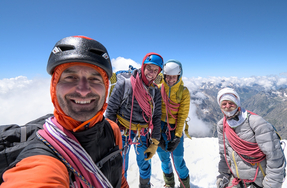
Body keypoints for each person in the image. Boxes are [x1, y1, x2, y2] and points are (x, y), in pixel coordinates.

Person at [0, 36, 129, 188]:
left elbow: (119, 181)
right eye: (70, 77)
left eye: (95, 79)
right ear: (54, 86)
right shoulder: (42, 160)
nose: (83, 90)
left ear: (106, 87)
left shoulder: (112, 130)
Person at [106, 52, 163, 188]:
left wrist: (155, 141)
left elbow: (156, 117)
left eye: (156, 70)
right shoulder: (124, 84)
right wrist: (110, 136)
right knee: (120, 167)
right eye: (149, 68)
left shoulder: (155, 91)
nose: (151, 73)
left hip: (142, 134)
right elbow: (111, 111)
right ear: (142, 66)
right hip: (122, 132)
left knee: (144, 165)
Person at [216, 87, 286, 188]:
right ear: (220, 106)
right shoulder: (222, 125)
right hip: (238, 179)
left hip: (260, 181)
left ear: (237, 103)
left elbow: (274, 157)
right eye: (224, 104)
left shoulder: (256, 122)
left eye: (231, 102)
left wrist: (271, 184)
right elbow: (224, 154)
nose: (228, 106)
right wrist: (224, 174)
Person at [156, 60, 191, 188]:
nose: (170, 80)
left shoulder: (184, 91)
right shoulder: (159, 89)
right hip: (160, 127)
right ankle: (169, 183)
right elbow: (154, 112)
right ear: (164, 76)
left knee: (178, 160)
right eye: (168, 76)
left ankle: (184, 185)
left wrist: (177, 136)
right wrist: (156, 133)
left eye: (173, 77)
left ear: (179, 76)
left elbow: (182, 115)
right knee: (164, 159)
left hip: (175, 127)